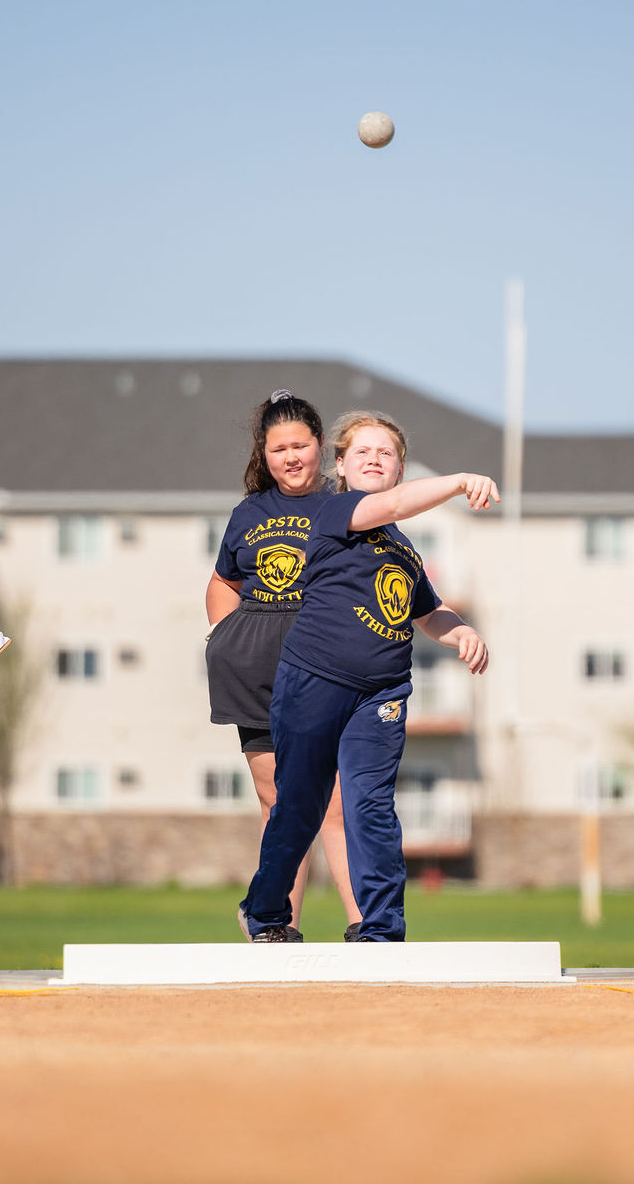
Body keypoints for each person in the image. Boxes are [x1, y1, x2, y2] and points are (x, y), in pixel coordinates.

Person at [240, 411, 495, 943]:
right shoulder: (339, 510)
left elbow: (427, 613)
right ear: (341, 465)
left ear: (400, 468)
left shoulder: (404, 549)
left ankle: (380, 929)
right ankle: (265, 913)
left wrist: (460, 631)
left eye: (387, 453)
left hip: (381, 691)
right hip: (313, 679)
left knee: (371, 805)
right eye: (363, 452)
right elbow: (394, 505)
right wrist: (456, 482)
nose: (375, 459)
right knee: (301, 806)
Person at [207, 391, 362, 939]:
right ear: (264, 454)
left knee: (338, 803)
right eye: (279, 449)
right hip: (253, 676)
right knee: (279, 802)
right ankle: (277, 926)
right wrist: (226, 638)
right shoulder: (248, 512)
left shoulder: (345, 506)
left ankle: (366, 926)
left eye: (300, 445)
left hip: (326, 674)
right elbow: (224, 582)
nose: (291, 457)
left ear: (322, 447)